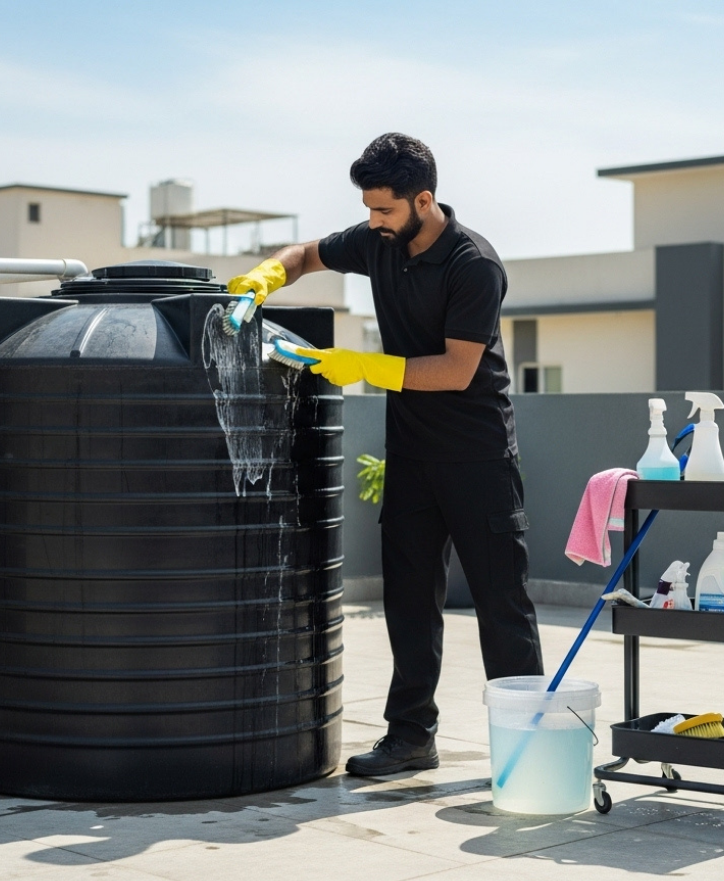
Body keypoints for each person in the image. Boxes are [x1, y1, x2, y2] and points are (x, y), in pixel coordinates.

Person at [226, 133, 543, 776]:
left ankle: (531, 747)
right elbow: (308, 253)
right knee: (407, 599)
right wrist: (266, 277)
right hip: (413, 455)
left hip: (479, 457)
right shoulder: (379, 242)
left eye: (384, 210)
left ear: (423, 200)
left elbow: (457, 370)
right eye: (368, 210)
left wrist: (364, 366)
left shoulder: (472, 263)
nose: (373, 222)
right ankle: (409, 738)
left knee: (500, 604)